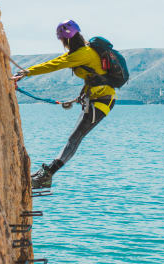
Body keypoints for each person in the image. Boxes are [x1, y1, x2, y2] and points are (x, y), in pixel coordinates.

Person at [13, 20, 116, 189]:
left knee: (74, 139)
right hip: (95, 100)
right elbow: (65, 63)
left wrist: (27, 72)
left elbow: (56, 64)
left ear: (64, 40)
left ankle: (47, 175)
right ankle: (46, 174)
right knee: (73, 139)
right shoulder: (82, 52)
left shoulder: (83, 54)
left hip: (102, 101)